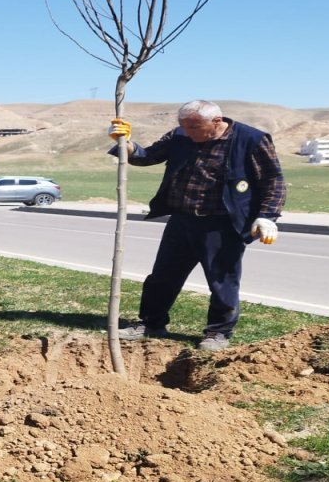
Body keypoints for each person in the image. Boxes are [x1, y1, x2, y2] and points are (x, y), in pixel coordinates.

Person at [107, 100, 285, 351]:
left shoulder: (251, 139)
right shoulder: (180, 135)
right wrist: (124, 144)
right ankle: (151, 323)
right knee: (162, 276)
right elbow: (148, 156)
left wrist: (268, 215)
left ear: (216, 121)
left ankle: (218, 333)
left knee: (222, 281)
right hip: (182, 220)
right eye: (183, 126)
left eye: (193, 127)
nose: (187, 133)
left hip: (222, 224)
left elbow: (273, 179)